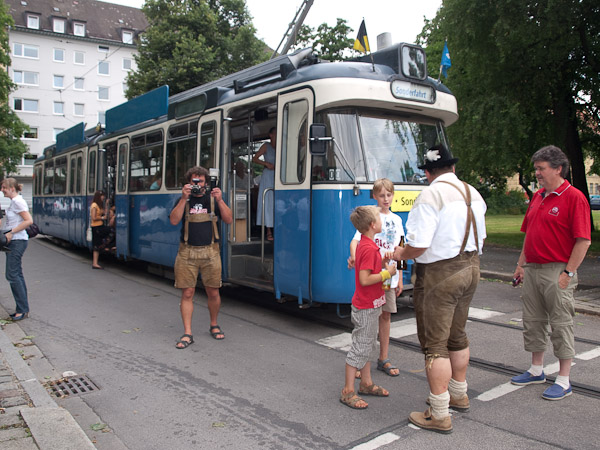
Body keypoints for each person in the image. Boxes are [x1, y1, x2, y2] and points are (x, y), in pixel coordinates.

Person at [393, 145, 486, 434]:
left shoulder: (430, 195)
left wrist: (400, 254)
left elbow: (419, 244)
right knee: (457, 335)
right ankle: (459, 393)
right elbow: (481, 237)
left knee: (435, 345)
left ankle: (439, 413)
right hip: (471, 267)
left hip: (441, 273)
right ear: (452, 168)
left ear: (427, 173)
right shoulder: (473, 193)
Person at [510, 145, 591, 400]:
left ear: (558, 168)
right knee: (533, 321)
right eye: (536, 169)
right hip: (533, 268)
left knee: (561, 323)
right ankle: (536, 369)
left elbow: (583, 240)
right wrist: (521, 265)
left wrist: (568, 273)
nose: (537, 173)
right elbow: (529, 234)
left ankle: (564, 380)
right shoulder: (538, 196)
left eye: (541, 168)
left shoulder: (574, 197)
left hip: (557, 269)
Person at [340, 205, 397, 410]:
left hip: (370, 304)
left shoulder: (366, 245)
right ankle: (348, 390)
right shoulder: (369, 248)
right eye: (379, 219)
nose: (382, 222)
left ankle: (366, 383)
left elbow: (369, 266)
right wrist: (387, 273)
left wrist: (382, 261)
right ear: (373, 225)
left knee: (368, 344)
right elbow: (365, 279)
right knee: (360, 347)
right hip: (366, 306)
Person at [169, 166, 232, 349]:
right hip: (187, 252)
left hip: (211, 252)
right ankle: (187, 333)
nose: (198, 185)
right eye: (194, 182)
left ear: (207, 182)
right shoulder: (184, 200)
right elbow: (173, 220)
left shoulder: (212, 199)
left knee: (213, 292)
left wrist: (220, 200)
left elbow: (229, 219)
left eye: (201, 181)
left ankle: (214, 324)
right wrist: (183, 198)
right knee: (187, 293)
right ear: (188, 183)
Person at [348, 178, 404, 379]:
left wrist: (400, 277)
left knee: (385, 315)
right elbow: (355, 242)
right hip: (373, 274)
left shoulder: (397, 220)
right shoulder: (371, 217)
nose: (386, 199)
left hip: (389, 277)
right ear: (374, 196)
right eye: (381, 195)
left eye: (389, 195)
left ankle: (383, 357)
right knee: (368, 319)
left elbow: (400, 248)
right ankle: (360, 360)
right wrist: (355, 258)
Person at [1, 178, 33, 321]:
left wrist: (11, 232)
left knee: (12, 275)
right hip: (15, 241)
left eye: (4, 187)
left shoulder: (18, 202)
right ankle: (22, 308)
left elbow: (29, 220)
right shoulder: (15, 201)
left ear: (12, 188)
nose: (2, 190)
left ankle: (22, 309)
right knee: (16, 274)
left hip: (17, 241)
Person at [252, 127, 276, 241]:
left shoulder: (281, 147)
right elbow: (255, 159)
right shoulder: (266, 146)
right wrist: (266, 164)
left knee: (277, 201)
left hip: (278, 176)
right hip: (268, 175)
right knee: (268, 201)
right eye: (275, 133)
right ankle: (268, 230)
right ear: (270, 135)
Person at [90, 191, 108, 269]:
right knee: (96, 245)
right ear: (98, 196)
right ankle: (95, 263)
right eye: (102, 196)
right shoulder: (94, 205)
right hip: (96, 227)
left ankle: (95, 263)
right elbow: (93, 217)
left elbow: (105, 213)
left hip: (99, 226)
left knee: (96, 245)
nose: (103, 197)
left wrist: (106, 205)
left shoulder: (98, 205)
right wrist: (102, 218)